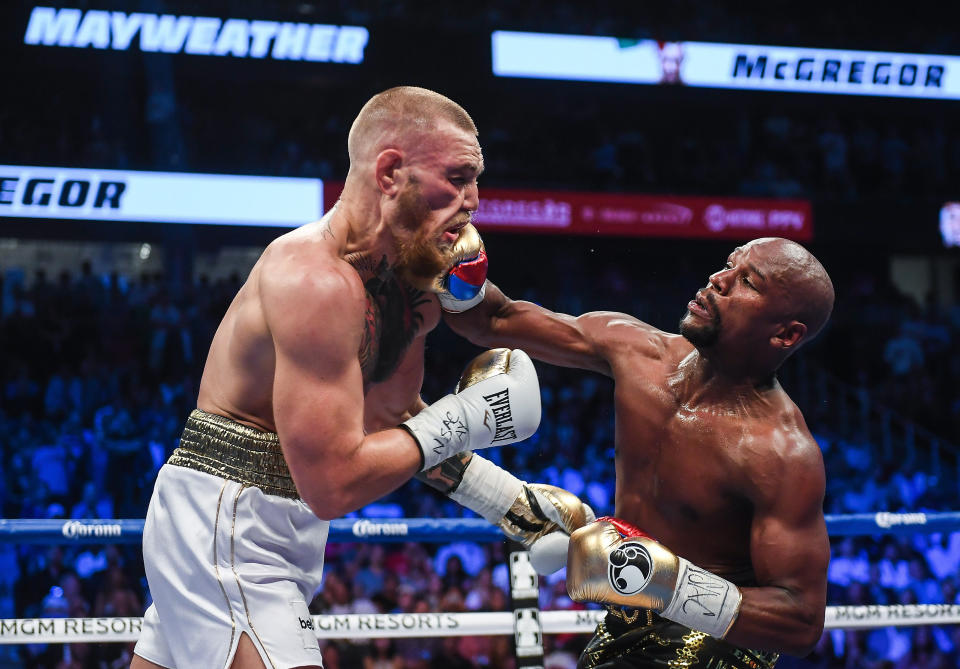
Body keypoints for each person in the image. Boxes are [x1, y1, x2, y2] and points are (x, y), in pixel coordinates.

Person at [130, 86, 584, 669]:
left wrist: (508, 502)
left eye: (477, 180)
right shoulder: (314, 281)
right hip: (231, 524)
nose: (474, 200)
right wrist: (469, 416)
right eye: (459, 177)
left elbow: (393, 423)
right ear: (391, 172)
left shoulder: (410, 288)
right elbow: (332, 485)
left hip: (262, 526)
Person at [447, 236, 835, 668]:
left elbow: (800, 623)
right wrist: (452, 267)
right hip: (621, 624)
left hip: (718, 647)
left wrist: (666, 584)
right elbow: (493, 319)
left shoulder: (780, 453)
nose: (719, 279)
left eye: (748, 281)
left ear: (786, 334)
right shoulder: (634, 349)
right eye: (729, 264)